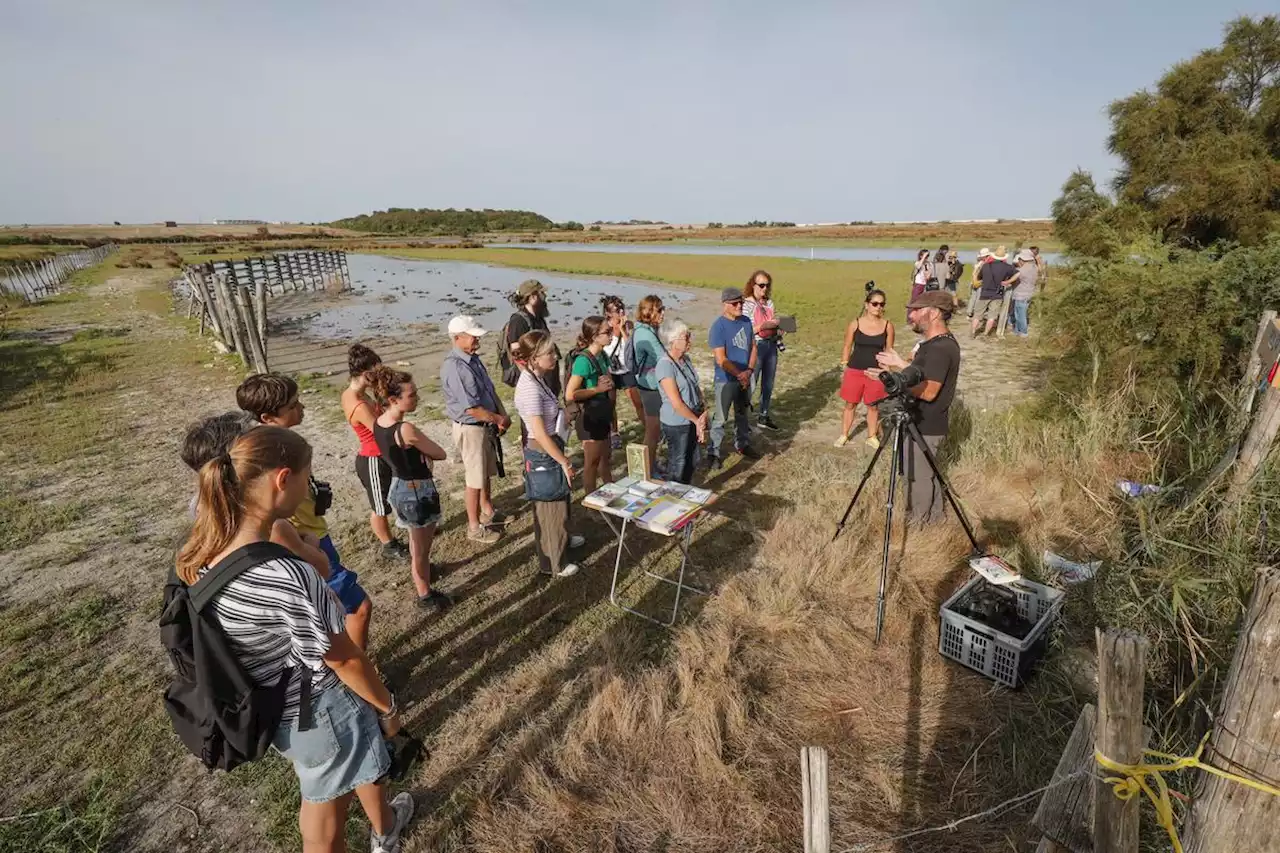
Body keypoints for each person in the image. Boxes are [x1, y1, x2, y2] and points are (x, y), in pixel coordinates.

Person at [176, 426, 414, 853]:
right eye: (307, 478)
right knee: (327, 820)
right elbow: (342, 659)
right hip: (317, 709)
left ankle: (387, 824)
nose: (309, 488)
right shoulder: (286, 574)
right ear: (283, 479)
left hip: (276, 703)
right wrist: (388, 707)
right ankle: (385, 833)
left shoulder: (203, 549)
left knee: (319, 793)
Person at [237, 374, 374, 651]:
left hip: (307, 536)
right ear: (267, 417)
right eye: (292, 405)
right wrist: (300, 543)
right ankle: (358, 673)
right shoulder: (275, 456)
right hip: (304, 541)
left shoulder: (258, 448)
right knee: (358, 608)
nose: (302, 408)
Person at [865, 291, 962, 525]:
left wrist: (897, 381)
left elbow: (929, 391)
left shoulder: (939, 349)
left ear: (935, 312)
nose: (912, 315)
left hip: (926, 424)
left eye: (918, 310)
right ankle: (936, 521)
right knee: (927, 475)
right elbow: (923, 375)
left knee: (918, 478)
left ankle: (917, 526)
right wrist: (900, 366)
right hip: (921, 422)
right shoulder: (934, 344)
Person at [367, 365, 452, 614]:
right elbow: (440, 452)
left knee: (418, 546)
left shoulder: (379, 423)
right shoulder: (405, 429)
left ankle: (423, 582)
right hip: (417, 490)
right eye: (412, 395)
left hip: (399, 485)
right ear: (393, 399)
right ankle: (424, 594)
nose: (417, 398)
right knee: (420, 549)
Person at [511, 330, 585, 578]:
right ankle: (554, 562)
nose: (555, 356)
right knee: (549, 505)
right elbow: (540, 433)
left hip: (550, 446)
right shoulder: (529, 387)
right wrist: (563, 460)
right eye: (549, 353)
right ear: (533, 358)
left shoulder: (538, 377)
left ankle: (562, 540)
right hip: (543, 451)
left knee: (559, 499)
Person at [441, 315, 510, 545]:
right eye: (473, 337)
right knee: (474, 478)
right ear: (458, 338)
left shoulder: (473, 360)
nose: (477, 341)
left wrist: (500, 415)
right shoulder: (455, 367)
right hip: (471, 429)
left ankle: (487, 511)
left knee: (485, 472)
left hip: (484, 426)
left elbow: (489, 391)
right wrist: (498, 418)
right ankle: (473, 526)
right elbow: (471, 409)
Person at [340, 343, 411, 561]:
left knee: (391, 497)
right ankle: (388, 544)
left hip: (380, 455)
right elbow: (381, 431)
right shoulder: (359, 405)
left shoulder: (355, 393)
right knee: (379, 506)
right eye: (376, 372)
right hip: (372, 458)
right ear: (366, 373)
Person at [707, 287, 760, 469]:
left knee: (742, 414)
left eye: (741, 302)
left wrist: (750, 370)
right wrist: (739, 374)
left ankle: (742, 444)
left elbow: (753, 346)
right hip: (726, 379)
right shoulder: (718, 327)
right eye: (735, 303)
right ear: (725, 305)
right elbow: (721, 359)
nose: (739, 306)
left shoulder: (746, 322)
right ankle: (713, 452)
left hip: (745, 376)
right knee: (720, 418)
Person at [837, 284, 895, 448]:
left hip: (876, 373)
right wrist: (844, 364)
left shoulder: (887, 326)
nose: (878, 307)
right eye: (875, 303)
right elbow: (847, 345)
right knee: (850, 404)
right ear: (867, 305)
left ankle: (871, 436)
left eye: (882, 304)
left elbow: (889, 350)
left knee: (873, 406)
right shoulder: (855, 324)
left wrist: (886, 369)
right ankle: (844, 435)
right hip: (855, 370)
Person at [564, 315, 615, 495]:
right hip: (589, 417)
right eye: (607, 332)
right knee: (591, 462)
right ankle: (590, 501)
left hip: (602, 414)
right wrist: (596, 389)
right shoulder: (583, 361)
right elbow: (570, 394)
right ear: (594, 336)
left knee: (604, 459)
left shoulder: (602, 355)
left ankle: (611, 492)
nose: (611, 335)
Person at [655, 320, 707, 484]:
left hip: (693, 417)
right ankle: (672, 497)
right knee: (678, 463)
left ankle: (685, 492)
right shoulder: (665, 366)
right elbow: (676, 403)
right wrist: (696, 421)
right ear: (673, 341)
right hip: (677, 422)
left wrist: (704, 410)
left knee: (693, 460)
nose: (690, 341)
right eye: (686, 337)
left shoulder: (686, 360)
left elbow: (696, 386)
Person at [629, 295, 667, 477]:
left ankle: (650, 464)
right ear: (649, 312)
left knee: (653, 430)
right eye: (659, 310)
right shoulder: (645, 333)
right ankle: (646, 470)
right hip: (650, 388)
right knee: (652, 431)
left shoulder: (647, 329)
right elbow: (663, 356)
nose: (663, 313)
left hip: (648, 385)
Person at [600, 295, 645, 445]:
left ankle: (648, 427)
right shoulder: (603, 328)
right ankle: (614, 433)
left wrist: (623, 330)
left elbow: (630, 348)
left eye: (621, 309)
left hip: (626, 368)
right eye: (616, 310)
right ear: (608, 313)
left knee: (637, 400)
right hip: (610, 370)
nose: (620, 312)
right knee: (611, 403)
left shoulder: (628, 325)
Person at [502, 279, 558, 394]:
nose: (545, 297)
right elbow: (517, 355)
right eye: (542, 293)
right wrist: (533, 381)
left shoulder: (538, 318)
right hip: (535, 380)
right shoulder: (518, 321)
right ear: (533, 297)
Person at [741, 269, 781, 431]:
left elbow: (773, 323)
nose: (764, 289)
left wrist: (779, 328)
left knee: (768, 383)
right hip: (755, 347)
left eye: (767, 286)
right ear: (753, 285)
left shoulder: (769, 303)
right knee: (751, 383)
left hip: (771, 345)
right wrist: (763, 326)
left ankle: (763, 415)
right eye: (761, 285)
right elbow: (745, 329)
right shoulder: (746, 304)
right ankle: (743, 419)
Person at [971, 246, 1018, 337]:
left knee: (977, 315)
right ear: (1004, 257)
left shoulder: (985, 266)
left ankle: (973, 332)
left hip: (984, 293)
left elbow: (979, 278)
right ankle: (985, 333)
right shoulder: (1007, 267)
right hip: (997, 294)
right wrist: (1008, 281)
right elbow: (1018, 273)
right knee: (992, 317)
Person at [1010, 249, 1038, 337]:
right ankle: (1017, 330)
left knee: (1020, 314)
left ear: (1023, 260)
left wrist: (1006, 282)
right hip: (1029, 293)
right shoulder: (1034, 267)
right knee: (1021, 313)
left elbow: (1015, 277)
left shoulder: (1023, 270)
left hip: (1021, 295)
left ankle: (1023, 332)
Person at [967, 248, 990, 318]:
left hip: (974, 282)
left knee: (973, 298)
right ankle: (977, 313)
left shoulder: (977, 264)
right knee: (978, 298)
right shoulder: (984, 264)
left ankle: (969, 312)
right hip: (980, 283)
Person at [909, 249, 930, 321]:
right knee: (914, 301)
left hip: (925, 285)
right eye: (925, 256)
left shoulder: (927, 264)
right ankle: (910, 318)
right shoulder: (917, 262)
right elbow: (918, 266)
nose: (926, 257)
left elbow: (928, 274)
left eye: (927, 256)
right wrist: (923, 258)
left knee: (922, 302)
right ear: (920, 256)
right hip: (918, 284)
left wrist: (928, 274)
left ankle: (919, 317)